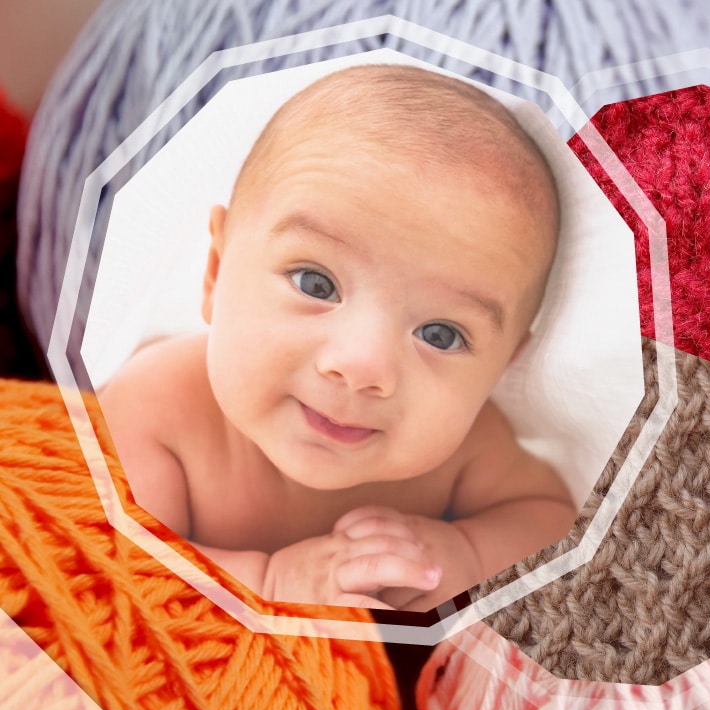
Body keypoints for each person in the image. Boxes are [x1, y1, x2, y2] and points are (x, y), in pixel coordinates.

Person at [99, 64, 576, 612]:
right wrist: (267, 582)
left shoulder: (468, 449)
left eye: (440, 334)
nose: (361, 365)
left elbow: (551, 521)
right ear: (215, 271)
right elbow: (112, 573)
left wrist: (461, 555)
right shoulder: (156, 410)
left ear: (503, 367)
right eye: (315, 283)